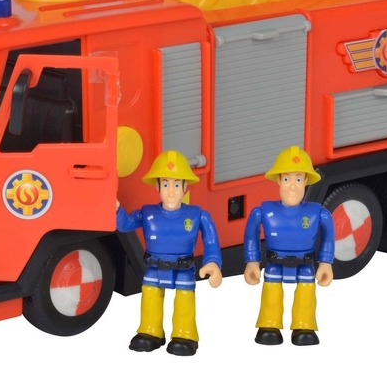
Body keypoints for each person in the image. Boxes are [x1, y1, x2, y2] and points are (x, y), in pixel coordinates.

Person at [117, 150, 222, 356]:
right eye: (165, 185)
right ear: (157, 187)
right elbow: (125, 224)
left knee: (184, 300)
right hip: (154, 268)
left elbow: (211, 241)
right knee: (150, 297)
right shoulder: (148, 213)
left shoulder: (197, 215)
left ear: (185, 187)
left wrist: (213, 263)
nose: (171, 192)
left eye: (176, 185)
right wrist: (116, 209)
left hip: (183, 268)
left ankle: (185, 334)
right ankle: (150, 331)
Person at [243, 146, 335, 346]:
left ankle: (304, 325)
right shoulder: (264, 211)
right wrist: (252, 261)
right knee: (272, 292)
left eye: (298, 179)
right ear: (278, 180)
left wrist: (325, 262)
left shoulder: (317, 212)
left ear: (306, 181)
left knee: (306, 294)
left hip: (305, 264)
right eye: (287, 179)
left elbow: (328, 235)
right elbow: (251, 235)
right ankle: (269, 325)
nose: (292, 186)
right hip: (275, 263)